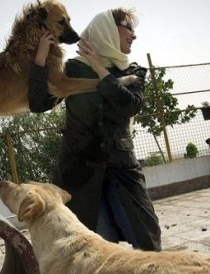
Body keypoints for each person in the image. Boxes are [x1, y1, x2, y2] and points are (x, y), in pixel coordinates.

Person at [28, 8, 162, 251]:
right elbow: (39, 104)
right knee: (97, 250)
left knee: (148, 242)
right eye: (128, 27)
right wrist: (40, 60)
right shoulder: (73, 69)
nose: (134, 35)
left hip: (122, 169)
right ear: (107, 29)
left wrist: (100, 69)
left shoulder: (133, 72)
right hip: (80, 174)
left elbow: (129, 106)